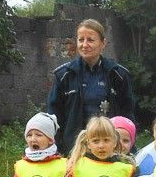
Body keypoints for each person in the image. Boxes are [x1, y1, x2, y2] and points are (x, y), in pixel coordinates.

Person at [47, 19, 135, 153]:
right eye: (81, 40)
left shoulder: (118, 75)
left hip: (109, 148)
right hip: (74, 149)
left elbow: (128, 114)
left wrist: (127, 144)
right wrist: (56, 148)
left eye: (91, 40)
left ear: (103, 43)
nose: (84, 45)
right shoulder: (64, 75)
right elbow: (54, 115)